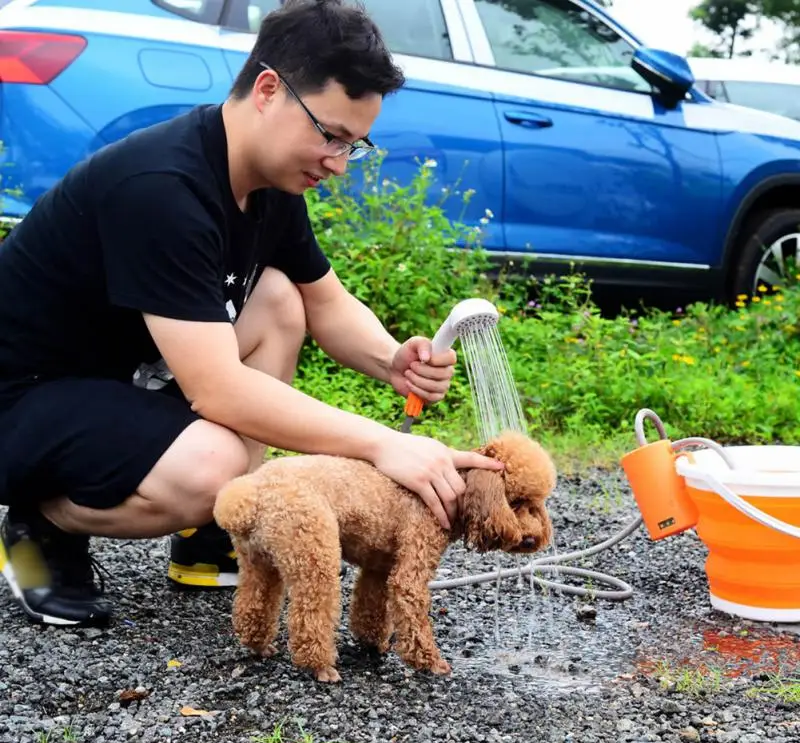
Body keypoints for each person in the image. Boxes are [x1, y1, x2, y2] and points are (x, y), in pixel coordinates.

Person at [0, 0, 504, 628]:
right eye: (330, 135)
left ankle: (212, 530)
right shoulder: (161, 188)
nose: (337, 163)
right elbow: (217, 390)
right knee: (211, 464)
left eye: (354, 146)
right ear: (268, 90)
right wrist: (384, 445)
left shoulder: (266, 182)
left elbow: (326, 302)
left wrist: (392, 360)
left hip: (109, 384)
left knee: (277, 299)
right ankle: (40, 522)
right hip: (22, 399)